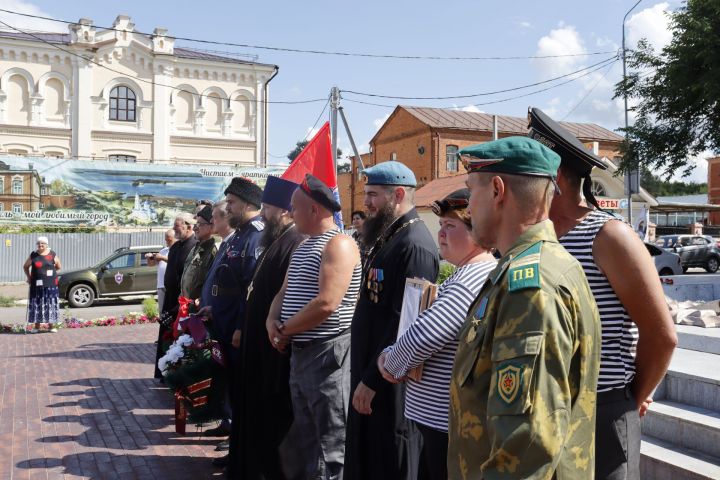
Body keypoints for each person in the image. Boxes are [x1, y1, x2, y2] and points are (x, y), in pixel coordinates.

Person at [530, 107, 677, 480]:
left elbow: (661, 336)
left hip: (601, 414)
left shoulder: (609, 236)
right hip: (543, 411)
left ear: (557, 177)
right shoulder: (535, 236)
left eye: (531, 173)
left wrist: (630, 397)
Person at [447, 136, 601, 479]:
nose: (468, 207)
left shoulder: (531, 287)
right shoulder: (541, 268)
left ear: (497, 190)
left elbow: (526, 447)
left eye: (472, 191)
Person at [377, 188, 497, 480]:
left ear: (477, 232)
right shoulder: (468, 271)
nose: (441, 233)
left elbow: (426, 335)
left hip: (446, 423)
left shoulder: (473, 275)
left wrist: (389, 362)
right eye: (441, 225)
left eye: (451, 226)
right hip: (441, 419)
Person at [345, 161, 439, 480]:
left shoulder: (414, 245)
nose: (366, 203)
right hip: (372, 372)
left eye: (372, 195)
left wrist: (372, 380)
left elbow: (406, 324)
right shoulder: (390, 237)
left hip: (389, 383)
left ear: (398, 194)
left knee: (390, 462)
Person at [266, 174, 361, 480]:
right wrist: (272, 322)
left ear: (315, 210)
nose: (290, 212)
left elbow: (327, 303)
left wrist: (285, 329)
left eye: (295, 207)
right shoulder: (304, 246)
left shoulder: (340, 244)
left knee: (330, 444)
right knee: (308, 439)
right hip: (302, 353)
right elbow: (284, 292)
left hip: (327, 354)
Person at [226, 175, 306, 480]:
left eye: (268, 209)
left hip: (273, 353)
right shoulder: (276, 240)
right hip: (258, 348)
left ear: (285, 211)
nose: (263, 214)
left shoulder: (294, 242)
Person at [201, 177, 264, 463]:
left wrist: (240, 324)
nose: (229, 208)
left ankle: (241, 451)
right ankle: (236, 446)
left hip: (238, 330)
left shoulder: (256, 236)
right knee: (233, 391)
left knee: (241, 393)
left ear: (249, 204)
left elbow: (251, 289)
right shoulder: (239, 234)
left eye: (233, 203)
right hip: (223, 325)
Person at [154, 213, 197, 379]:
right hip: (169, 297)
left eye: (177, 226)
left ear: (188, 226)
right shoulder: (176, 246)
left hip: (180, 302)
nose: (174, 229)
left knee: (177, 338)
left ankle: (175, 374)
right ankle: (164, 372)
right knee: (165, 336)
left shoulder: (193, 246)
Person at [23, 236, 61, 333]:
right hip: (36, 285)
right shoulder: (34, 255)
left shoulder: (52, 254)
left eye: (42, 243)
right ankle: (36, 327)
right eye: (38, 243)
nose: (40, 245)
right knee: (37, 304)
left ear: (46, 244)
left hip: (51, 284)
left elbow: (58, 266)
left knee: (50, 304)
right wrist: (29, 277)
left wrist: (48, 274)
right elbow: (25, 266)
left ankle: (51, 326)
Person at [180, 205, 217, 302]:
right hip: (187, 305)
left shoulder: (214, 251)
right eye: (195, 224)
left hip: (200, 309)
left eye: (199, 224)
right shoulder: (197, 248)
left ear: (212, 226)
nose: (195, 228)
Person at [146, 229, 176, 314]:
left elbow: (176, 262)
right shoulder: (163, 250)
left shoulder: (177, 250)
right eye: (166, 239)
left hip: (171, 285)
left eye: (169, 239)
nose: (167, 241)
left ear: (175, 238)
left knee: (171, 310)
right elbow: (151, 264)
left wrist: (162, 258)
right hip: (161, 285)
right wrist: (149, 258)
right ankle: (163, 326)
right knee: (162, 310)